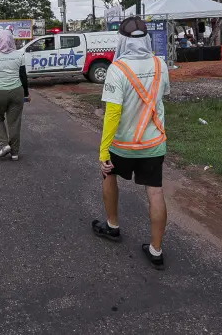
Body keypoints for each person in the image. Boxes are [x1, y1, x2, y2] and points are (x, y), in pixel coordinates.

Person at [91, 16, 171, 270]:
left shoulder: (117, 69)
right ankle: (156, 250)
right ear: (146, 38)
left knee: (108, 176)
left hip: (122, 145)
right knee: (155, 191)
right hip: (152, 142)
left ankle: (112, 225)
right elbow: (161, 97)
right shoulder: (161, 64)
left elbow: (112, 114)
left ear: (122, 40)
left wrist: (104, 151)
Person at [0, 29, 30, 161]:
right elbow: (23, 76)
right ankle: (15, 153)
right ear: (12, 40)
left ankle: (4, 145)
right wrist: (26, 94)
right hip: (17, 91)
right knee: (14, 123)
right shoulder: (19, 55)